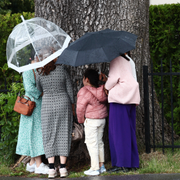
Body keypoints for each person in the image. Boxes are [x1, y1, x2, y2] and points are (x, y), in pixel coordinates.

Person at [36, 50, 75, 179]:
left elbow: (39, 89)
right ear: (53, 58)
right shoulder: (62, 70)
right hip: (63, 104)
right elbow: (69, 90)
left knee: (48, 134)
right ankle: (63, 168)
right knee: (64, 133)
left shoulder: (39, 73)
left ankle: (51, 168)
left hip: (47, 105)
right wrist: (73, 104)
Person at [104, 54, 140, 172]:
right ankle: (132, 162)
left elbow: (113, 79)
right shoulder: (130, 60)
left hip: (119, 99)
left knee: (118, 132)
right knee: (129, 131)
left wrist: (105, 85)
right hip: (131, 98)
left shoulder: (116, 59)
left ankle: (121, 164)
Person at [16, 56, 48, 174]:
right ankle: (38, 165)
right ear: (33, 57)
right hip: (33, 106)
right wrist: (42, 93)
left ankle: (32, 163)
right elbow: (29, 88)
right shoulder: (29, 70)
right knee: (36, 134)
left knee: (33, 134)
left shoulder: (37, 69)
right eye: (39, 55)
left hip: (35, 106)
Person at [76, 68, 108, 176]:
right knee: (99, 142)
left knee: (91, 143)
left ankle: (94, 168)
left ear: (87, 79)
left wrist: (81, 120)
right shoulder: (102, 90)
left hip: (91, 120)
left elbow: (80, 108)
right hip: (102, 119)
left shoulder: (84, 91)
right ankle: (101, 165)